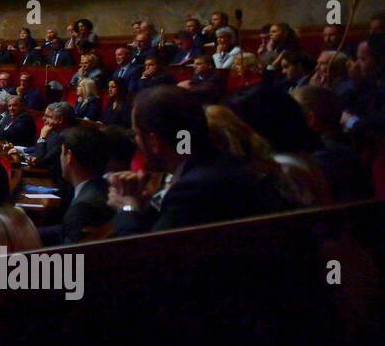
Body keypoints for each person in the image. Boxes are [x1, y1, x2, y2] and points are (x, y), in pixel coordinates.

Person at [108, 86, 285, 235]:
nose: (135, 142)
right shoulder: (226, 162)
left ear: (154, 141)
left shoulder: (192, 190)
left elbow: (148, 258)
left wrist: (127, 209)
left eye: (136, 134)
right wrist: (143, 208)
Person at [36, 125, 113, 245]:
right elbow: (65, 229)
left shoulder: (83, 208)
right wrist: (28, 233)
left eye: (61, 153)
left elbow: (70, 259)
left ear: (69, 156)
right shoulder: (101, 186)